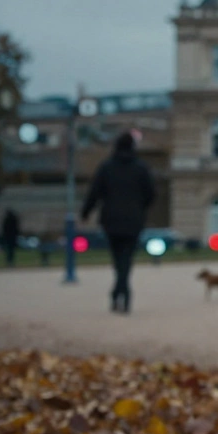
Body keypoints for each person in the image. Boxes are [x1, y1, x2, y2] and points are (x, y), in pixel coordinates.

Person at [81, 131, 155, 314]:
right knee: (126, 259)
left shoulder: (107, 167)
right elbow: (151, 194)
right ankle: (123, 293)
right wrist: (141, 207)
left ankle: (118, 293)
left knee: (117, 259)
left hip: (111, 220)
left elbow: (95, 192)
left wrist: (85, 212)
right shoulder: (141, 168)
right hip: (133, 220)